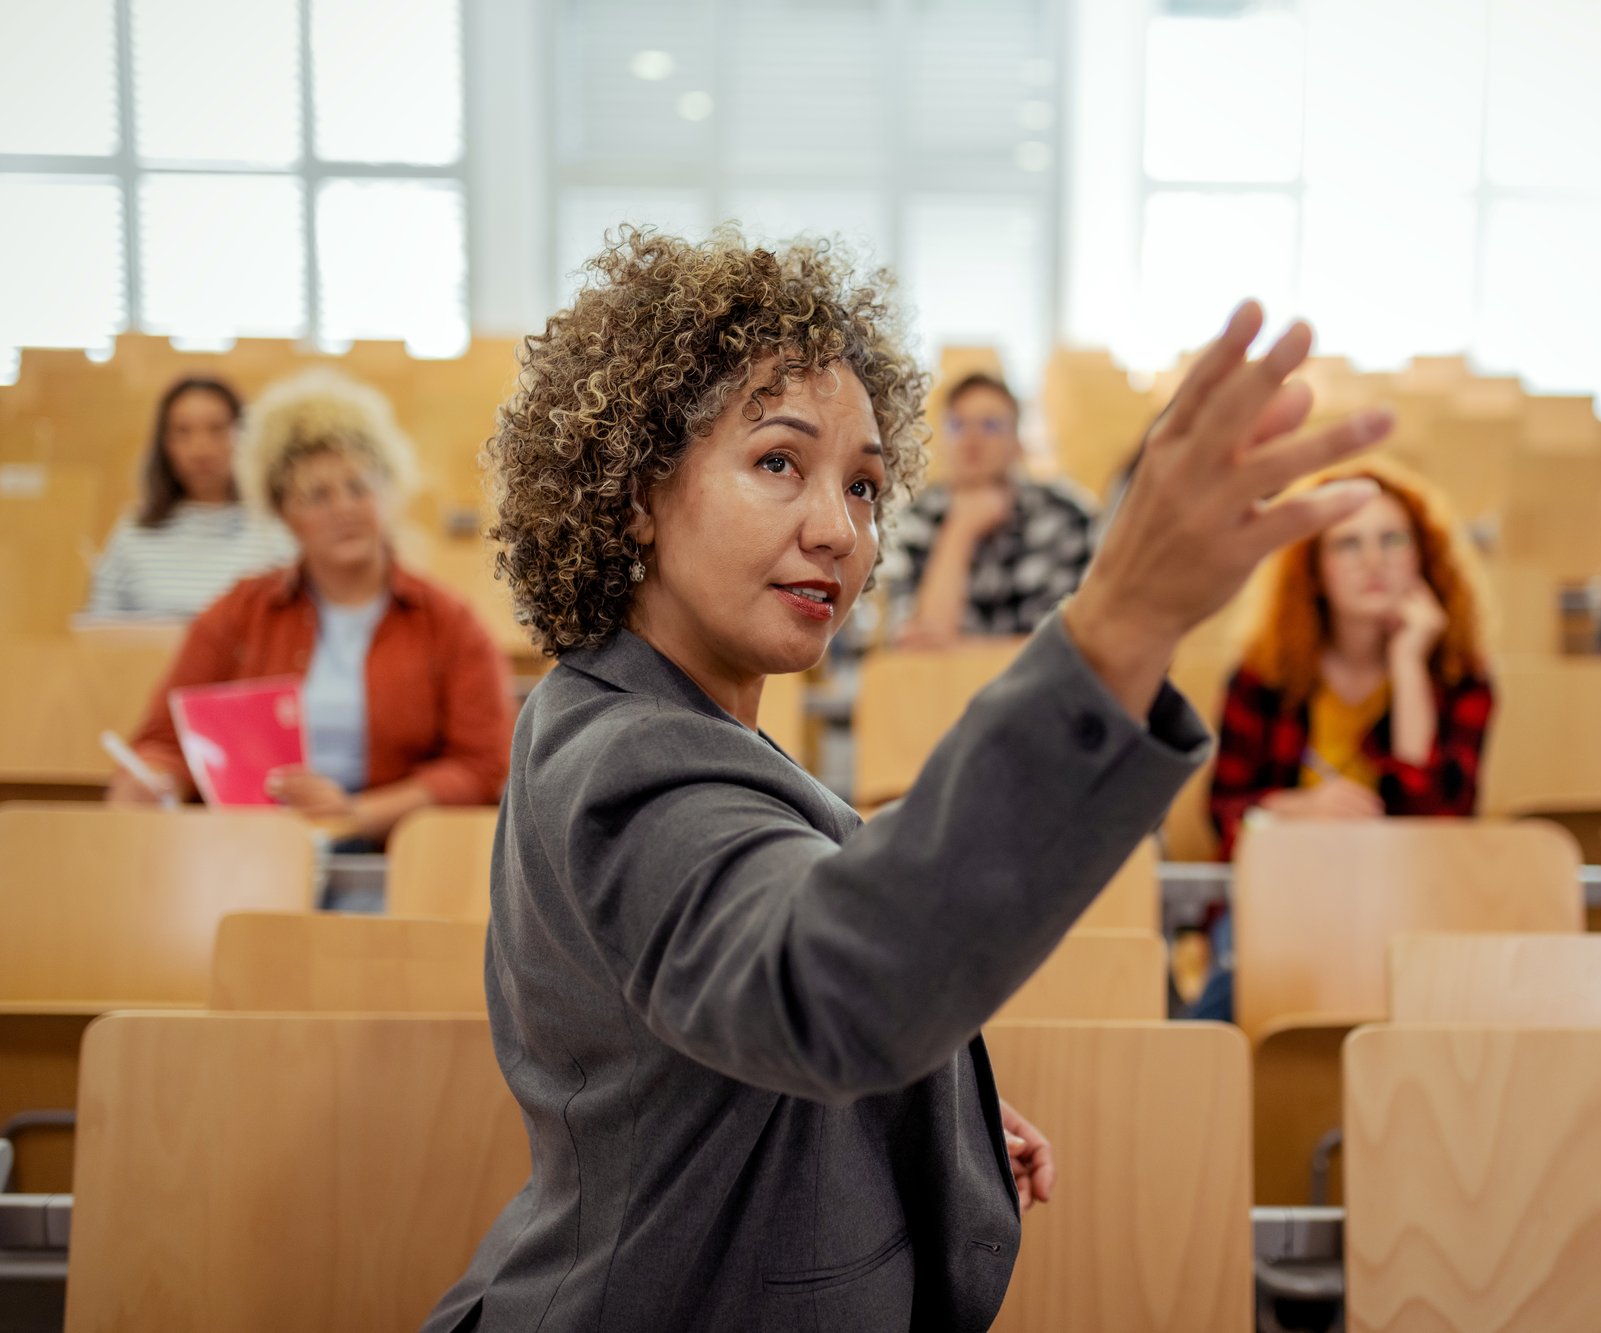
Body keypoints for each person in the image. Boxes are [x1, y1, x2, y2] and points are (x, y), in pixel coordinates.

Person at [420, 228, 1390, 1332]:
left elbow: (739, 1026)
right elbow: (818, 988)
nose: (838, 530)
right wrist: (1119, 622)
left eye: (867, 487)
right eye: (777, 462)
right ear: (638, 494)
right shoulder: (630, 755)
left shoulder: (664, 719)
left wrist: (929, 1108)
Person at [108, 370, 513, 846]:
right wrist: (154, 779)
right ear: (283, 513)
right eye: (316, 496)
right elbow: (166, 739)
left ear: (387, 491)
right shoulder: (237, 614)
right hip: (257, 852)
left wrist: (357, 813)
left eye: (358, 487)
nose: (343, 508)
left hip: (393, 858)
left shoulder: (448, 622)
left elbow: (483, 765)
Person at [1188, 461, 1493, 1022]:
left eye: (1392, 539)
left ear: (1423, 556)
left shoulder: (1459, 681)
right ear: (1314, 568)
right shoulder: (1263, 676)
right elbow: (1226, 814)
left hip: (1409, 899)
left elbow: (1437, 822)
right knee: (1240, 990)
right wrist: (1293, 811)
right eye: (1348, 545)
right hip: (1280, 899)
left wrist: (1408, 666)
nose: (1373, 561)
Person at [880, 371, 1095, 647]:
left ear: (1018, 443)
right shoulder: (911, 521)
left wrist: (955, 648)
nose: (971, 440)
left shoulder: (1065, 517)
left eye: (990, 425)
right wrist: (960, 530)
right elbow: (917, 651)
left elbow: (1065, 650)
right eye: (957, 425)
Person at [85, 377, 295, 618]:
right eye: (183, 432)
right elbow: (99, 634)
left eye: (217, 430)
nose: (200, 448)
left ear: (245, 436)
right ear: (165, 445)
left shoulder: (277, 532)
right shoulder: (132, 534)